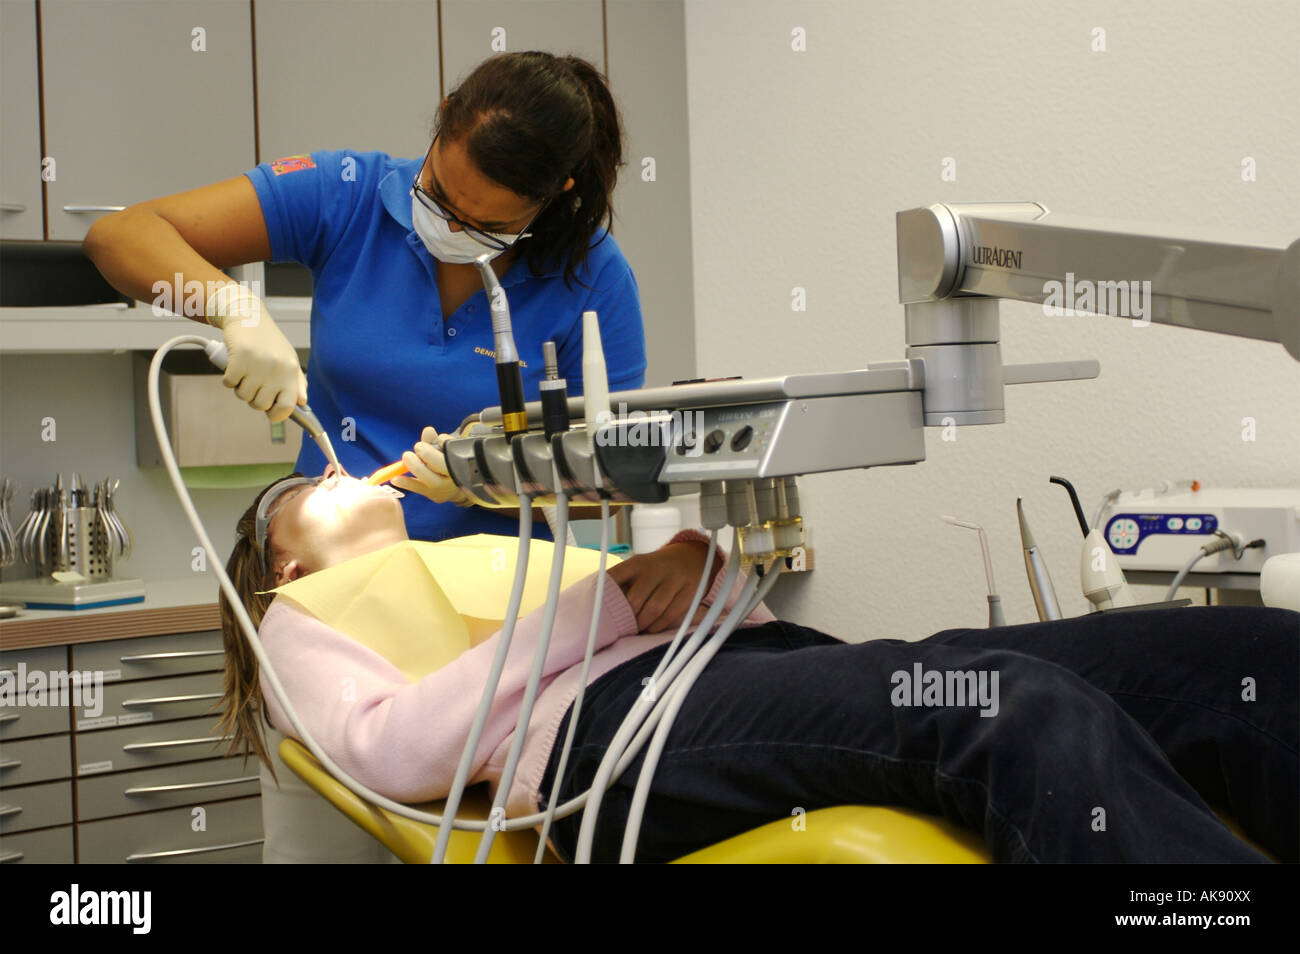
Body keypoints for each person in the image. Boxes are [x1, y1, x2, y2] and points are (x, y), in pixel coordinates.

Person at [218, 472, 1299, 864]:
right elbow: (388, 752)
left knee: (1236, 653)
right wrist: (597, 602)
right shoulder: (295, 622)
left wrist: (698, 575)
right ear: (281, 551)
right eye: (313, 479)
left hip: (740, 672)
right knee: (1015, 712)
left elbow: (728, 619)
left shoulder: (483, 549)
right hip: (609, 744)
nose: (342, 466)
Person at [85, 51, 647, 543]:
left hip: (502, 603)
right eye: (440, 196)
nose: (452, 228)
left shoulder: (592, 277)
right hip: (337, 580)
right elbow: (119, 237)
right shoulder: (348, 194)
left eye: (487, 224)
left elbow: (616, 482)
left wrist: (487, 482)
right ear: (446, 114)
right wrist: (233, 307)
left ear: (557, 193)